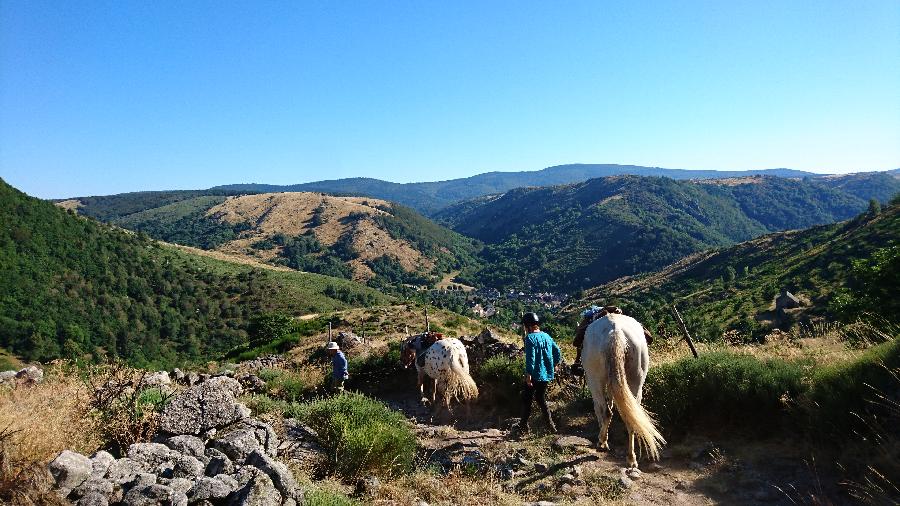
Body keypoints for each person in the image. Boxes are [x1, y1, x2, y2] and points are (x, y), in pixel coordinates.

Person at [516, 312, 561, 435]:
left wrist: (529, 375)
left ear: (528, 326)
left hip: (535, 374)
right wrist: (555, 364)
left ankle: (523, 426)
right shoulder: (547, 336)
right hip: (546, 374)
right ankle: (550, 426)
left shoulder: (529, 338)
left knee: (527, 399)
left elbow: (531, 358)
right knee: (540, 398)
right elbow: (557, 351)